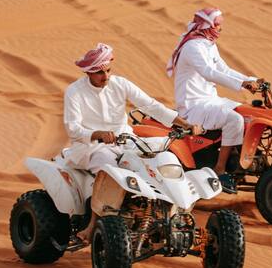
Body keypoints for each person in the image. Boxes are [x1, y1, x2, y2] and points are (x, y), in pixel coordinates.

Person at [166, 6, 262, 193]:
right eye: (217, 25)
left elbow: (224, 70)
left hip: (211, 100)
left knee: (247, 113)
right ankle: (219, 170)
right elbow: (209, 73)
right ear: (206, 25)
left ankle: (239, 157)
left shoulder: (208, 45)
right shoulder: (193, 47)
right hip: (194, 106)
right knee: (234, 119)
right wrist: (242, 85)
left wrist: (250, 79)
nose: (220, 29)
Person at [63, 43, 200, 173]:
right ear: (89, 73)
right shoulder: (75, 91)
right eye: (100, 72)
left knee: (163, 155)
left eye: (108, 71)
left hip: (127, 141)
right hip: (93, 147)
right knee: (109, 170)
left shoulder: (120, 84)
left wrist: (186, 124)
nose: (106, 76)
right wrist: (98, 134)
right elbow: (72, 128)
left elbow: (151, 106)